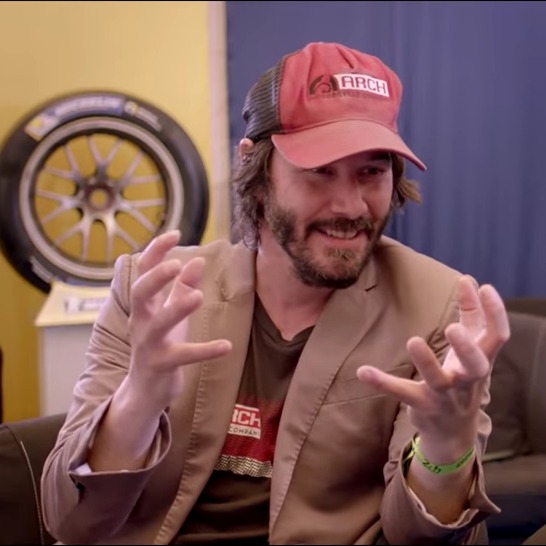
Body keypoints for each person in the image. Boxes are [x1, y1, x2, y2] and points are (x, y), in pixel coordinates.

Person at [40, 41, 510, 545]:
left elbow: (419, 537)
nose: (351, 206)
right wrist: (140, 397)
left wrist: (446, 447)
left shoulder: (436, 306)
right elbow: (69, 520)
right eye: (320, 171)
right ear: (256, 170)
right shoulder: (154, 292)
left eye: (372, 172)